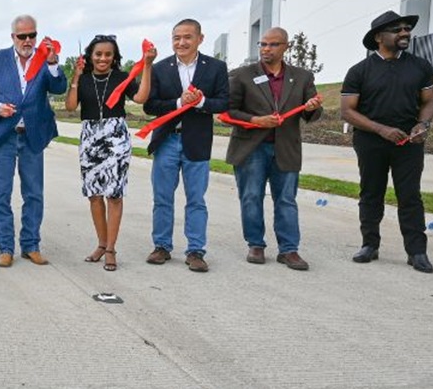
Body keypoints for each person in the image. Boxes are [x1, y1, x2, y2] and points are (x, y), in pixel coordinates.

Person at [340, 10, 433, 273]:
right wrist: (381, 130)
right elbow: (347, 111)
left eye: (406, 28)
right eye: (397, 29)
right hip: (371, 142)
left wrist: (422, 124)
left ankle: (417, 251)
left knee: (410, 196)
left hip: (409, 143)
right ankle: (369, 244)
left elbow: (428, 103)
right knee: (371, 193)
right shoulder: (359, 71)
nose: (405, 33)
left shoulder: (420, 66)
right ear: (379, 37)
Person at [225, 27, 323, 271]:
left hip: (286, 148)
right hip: (251, 149)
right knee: (250, 197)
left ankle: (289, 250)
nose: (266, 49)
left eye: (273, 45)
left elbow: (313, 113)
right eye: (263, 44)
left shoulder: (302, 77)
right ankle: (255, 245)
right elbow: (228, 111)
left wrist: (311, 107)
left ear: (285, 47)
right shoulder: (242, 75)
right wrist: (255, 120)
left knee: (287, 200)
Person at [0, 14, 68, 267]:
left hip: (33, 138)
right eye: (22, 36)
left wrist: (52, 64)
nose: (28, 40)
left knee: (34, 194)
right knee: (1, 196)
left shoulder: (44, 59)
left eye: (32, 35)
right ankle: (5, 247)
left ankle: (31, 245)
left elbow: (60, 87)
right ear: (13, 37)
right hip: (4, 137)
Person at [64, 34, 156, 272]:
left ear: (114, 57)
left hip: (116, 136)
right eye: (98, 54)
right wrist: (75, 76)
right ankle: (101, 244)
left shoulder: (122, 77)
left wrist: (147, 66)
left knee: (114, 195)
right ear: (90, 56)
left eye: (108, 54)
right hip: (90, 136)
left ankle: (112, 249)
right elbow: (71, 107)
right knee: (94, 195)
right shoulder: (83, 79)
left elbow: (141, 97)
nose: (103, 58)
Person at [143, 18, 229, 272]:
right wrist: (179, 103)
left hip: (197, 142)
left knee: (196, 199)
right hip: (167, 140)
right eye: (176, 38)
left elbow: (224, 102)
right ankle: (161, 247)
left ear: (200, 39)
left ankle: (195, 251)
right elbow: (150, 106)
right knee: (162, 198)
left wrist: (201, 102)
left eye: (187, 37)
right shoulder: (160, 69)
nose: (181, 42)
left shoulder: (215, 68)